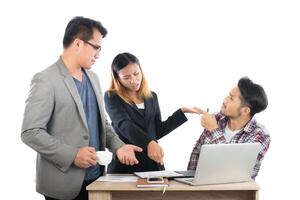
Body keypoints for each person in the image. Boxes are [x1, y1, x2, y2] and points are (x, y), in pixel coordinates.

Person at [21, 17, 142, 200]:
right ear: (78, 43)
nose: (98, 54)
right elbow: (30, 132)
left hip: (96, 181)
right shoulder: (46, 80)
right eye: (96, 47)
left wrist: (119, 147)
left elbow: (103, 123)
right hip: (62, 186)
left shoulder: (93, 78)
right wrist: (73, 155)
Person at [104, 52, 198, 173]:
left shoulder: (151, 97)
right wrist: (149, 143)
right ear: (117, 78)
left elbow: (157, 131)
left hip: (153, 164)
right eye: (126, 77)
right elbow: (124, 124)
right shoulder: (112, 97)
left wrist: (181, 112)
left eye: (136, 74)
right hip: (127, 163)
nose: (133, 80)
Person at [187, 77, 271, 179]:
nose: (225, 99)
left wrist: (213, 129)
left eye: (231, 98)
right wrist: (190, 182)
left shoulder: (260, 135)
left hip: (236, 192)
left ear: (245, 111)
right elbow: (197, 153)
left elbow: (233, 170)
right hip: (203, 189)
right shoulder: (216, 119)